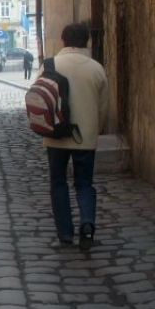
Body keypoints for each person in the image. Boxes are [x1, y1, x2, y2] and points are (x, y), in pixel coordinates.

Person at [45, 23, 109, 251]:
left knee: (58, 183)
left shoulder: (50, 65)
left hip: (56, 135)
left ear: (63, 41)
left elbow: (38, 99)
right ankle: (88, 225)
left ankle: (64, 234)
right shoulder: (96, 69)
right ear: (87, 42)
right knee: (84, 184)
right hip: (85, 137)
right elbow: (103, 109)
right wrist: (94, 130)